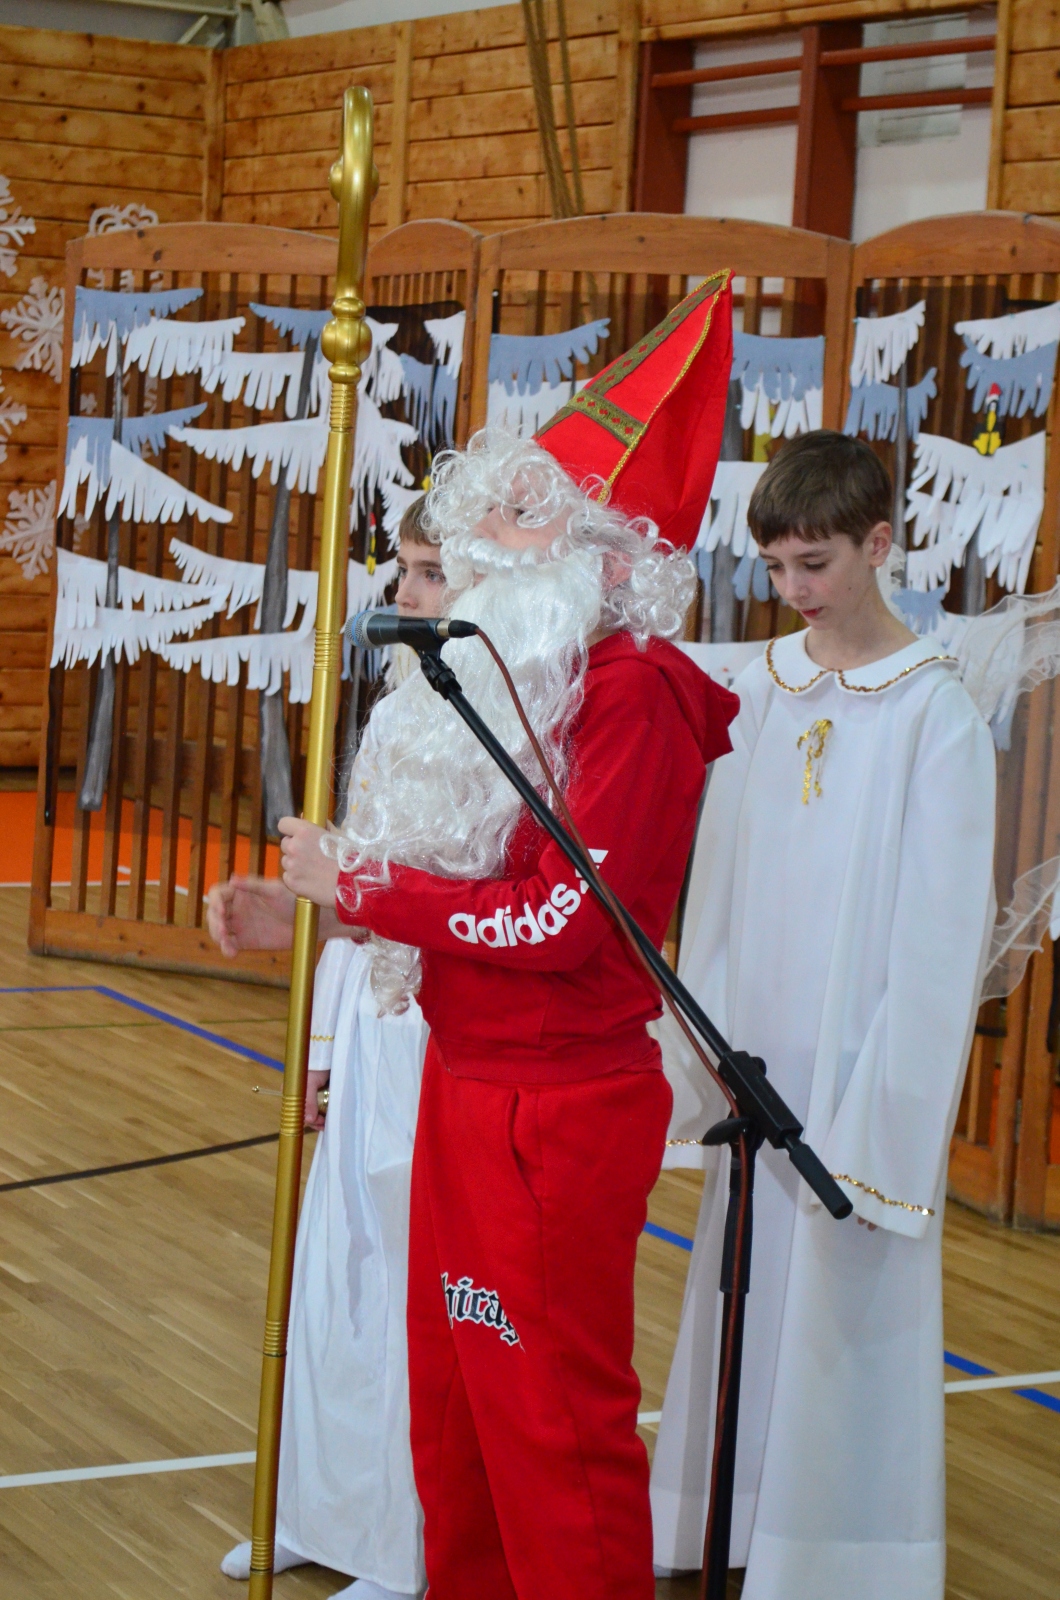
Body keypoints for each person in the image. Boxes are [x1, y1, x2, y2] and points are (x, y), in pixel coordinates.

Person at [207, 271, 737, 1600]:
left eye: (514, 527)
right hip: (466, 1082)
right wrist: (318, 911)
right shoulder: (528, 687)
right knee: (458, 1415)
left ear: (599, 559)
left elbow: (560, 920)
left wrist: (366, 888)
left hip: (555, 1110)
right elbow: (462, 884)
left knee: (549, 1424)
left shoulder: (633, 701)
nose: (477, 551)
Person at [650, 430, 997, 1600]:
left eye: (814, 563)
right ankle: (730, 1524)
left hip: (856, 1070)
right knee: (744, 1295)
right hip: (758, 1054)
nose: (791, 588)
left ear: (878, 543)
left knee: (840, 1316)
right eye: (775, 566)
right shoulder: (759, 687)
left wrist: (883, 1113)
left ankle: (838, 1559)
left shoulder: (933, 713)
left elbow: (939, 937)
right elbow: (717, 881)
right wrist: (703, 1048)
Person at [216, 500, 442, 1600]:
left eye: (430, 572)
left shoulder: (504, 725)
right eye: (403, 568)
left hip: (438, 1027)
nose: (404, 594)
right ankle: (319, 1508)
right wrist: (315, 1036)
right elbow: (350, 886)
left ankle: (402, 1541)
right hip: (368, 1015)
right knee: (333, 1273)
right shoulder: (398, 709)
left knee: (403, 1280)